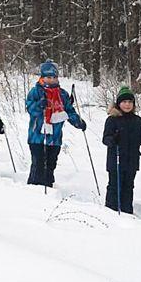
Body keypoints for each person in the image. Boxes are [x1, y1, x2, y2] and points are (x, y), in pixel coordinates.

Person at [25, 59, 86, 187]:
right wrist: (39, 105)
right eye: (48, 77)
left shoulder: (62, 94)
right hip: (38, 136)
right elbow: (30, 108)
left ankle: (49, 188)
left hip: (55, 137)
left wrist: (77, 121)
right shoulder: (36, 91)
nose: (51, 80)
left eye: (54, 77)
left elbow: (69, 111)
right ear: (42, 77)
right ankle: (33, 190)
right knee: (38, 164)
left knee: (51, 164)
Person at [101, 86, 141, 214]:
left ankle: (127, 212)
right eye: (124, 102)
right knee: (115, 186)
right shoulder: (112, 119)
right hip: (116, 160)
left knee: (128, 187)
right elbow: (105, 139)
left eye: (130, 102)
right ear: (119, 104)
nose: (127, 105)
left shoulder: (137, 120)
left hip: (132, 161)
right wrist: (113, 140)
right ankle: (111, 212)